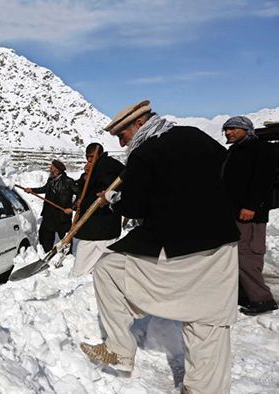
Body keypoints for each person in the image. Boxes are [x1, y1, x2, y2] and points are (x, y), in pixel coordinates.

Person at [80, 100, 239, 394]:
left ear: (139, 124)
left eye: (121, 135)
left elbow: (135, 206)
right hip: (220, 241)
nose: (121, 141)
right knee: (207, 320)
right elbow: (229, 176)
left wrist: (113, 199)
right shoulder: (197, 136)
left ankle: (119, 350)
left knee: (108, 269)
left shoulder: (144, 153)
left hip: (175, 246)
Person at [221, 116, 278, 316]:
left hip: (250, 214)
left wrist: (251, 206)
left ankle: (263, 299)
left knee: (248, 256)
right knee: (237, 255)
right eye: (226, 129)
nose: (229, 132)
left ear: (246, 129)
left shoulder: (261, 149)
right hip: (235, 213)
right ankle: (245, 294)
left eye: (234, 128)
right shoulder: (235, 150)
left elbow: (263, 181)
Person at [71, 143, 124, 276]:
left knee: (93, 263)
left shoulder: (107, 167)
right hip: (95, 225)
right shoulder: (97, 167)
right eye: (87, 157)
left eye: (92, 157)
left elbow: (113, 189)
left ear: (100, 155)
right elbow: (86, 188)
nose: (89, 160)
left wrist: (106, 196)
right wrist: (85, 178)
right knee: (88, 258)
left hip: (102, 223)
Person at [25, 160, 77, 252]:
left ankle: (66, 257)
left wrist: (72, 208)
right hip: (49, 214)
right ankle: (46, 253)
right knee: (45, 235)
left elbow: (80, 195)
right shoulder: (50, 180)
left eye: (52, 167)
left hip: (62, 215)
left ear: (56, 170)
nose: (50, 169)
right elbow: (44, 189)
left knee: (65, 237)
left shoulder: (69, 182)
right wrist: (32, 190)